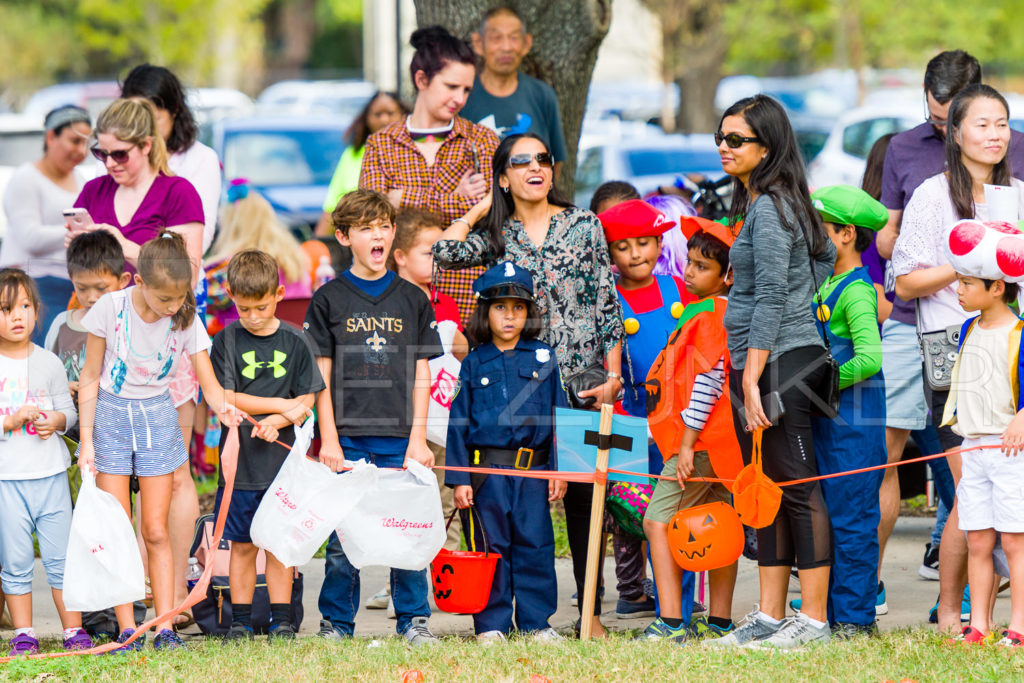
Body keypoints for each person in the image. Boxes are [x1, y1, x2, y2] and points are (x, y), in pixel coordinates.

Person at [434, 132, 624, 637]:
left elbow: (607, 303)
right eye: (521, 162)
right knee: (520, 514)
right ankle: (503, 614)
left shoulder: (584, 225)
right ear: (504, 176)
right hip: (517, 386)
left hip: (583, 380)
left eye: (543, 159)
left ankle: (591, 613)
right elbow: (444, 251)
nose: (536, 167)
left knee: (587, 503)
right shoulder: (500, 234)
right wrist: (482, 208)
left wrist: (613, 374)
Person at [875, 51, 1024, 629]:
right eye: (981, 124)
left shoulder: (1016, 195)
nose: (993, 134)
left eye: (1001, 124)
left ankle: (969, 612)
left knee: (1000, 488)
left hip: (1010, 348)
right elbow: (904, 280)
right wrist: (968, 263)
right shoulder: (934, 195)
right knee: (970, 489)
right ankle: (952, 614)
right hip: (951, 349)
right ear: (954, 132)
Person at [68, 96, 207, 629]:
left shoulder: (177, 192)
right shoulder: (93, 192)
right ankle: (121, 602)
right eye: (100, 153)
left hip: (168, 351)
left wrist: (122, 245)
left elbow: (184, 268)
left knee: (172, 481)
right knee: (118, 500)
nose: (108, 164)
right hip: (118, 348)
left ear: (147, 145)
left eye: (119, 154)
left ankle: (167, 600)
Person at [709, 95, 836, 650]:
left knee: (798, 489)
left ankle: (812, 621)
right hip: (767, 359)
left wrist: (750, 375)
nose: (723, 147)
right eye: (721, 136)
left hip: (780, 361)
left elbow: (772, 298)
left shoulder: (772, 207)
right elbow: (825, 256)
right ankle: (768, 615)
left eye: (736, 140)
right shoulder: (773, 204)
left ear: (768, 147)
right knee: (766, 486)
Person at [76, 231, 239, 651]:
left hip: (157, 418)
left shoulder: (185, 317)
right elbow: (91, 376)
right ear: (138, 282)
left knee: (155, 529)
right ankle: (128, 626)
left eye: (179, 298)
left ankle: (165, 626)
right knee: (118, 527)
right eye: (164, 299)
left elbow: (210, 383)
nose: (172, 307)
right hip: (111, 417)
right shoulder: (110, 309)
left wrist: (227, 409)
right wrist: (88, 441)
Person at [303, 189, 441, 645]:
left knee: (407, 531)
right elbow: (320, 375)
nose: (377, 235)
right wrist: (329, 440)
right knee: (344, 540)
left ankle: (414, 620)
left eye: (384, 225)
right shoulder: (328, 300)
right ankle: (336, 624)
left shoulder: (413, 300)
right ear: (344, 236)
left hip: (402, 439)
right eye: (365, 228)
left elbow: (423, 371)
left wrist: (418, 438)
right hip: (348, 437)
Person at [446, 260, 567, 643]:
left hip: (533, 472)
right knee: (489, 548)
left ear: (529, 312)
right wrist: (460, 479)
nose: (510, 316)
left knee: (535, 544)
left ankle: (535, 623)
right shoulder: (474, 362)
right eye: (500, 307)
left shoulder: (544, 359)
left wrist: (559, 470)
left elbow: (557, 417)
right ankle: (492, 625)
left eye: (518, 307)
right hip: (487, 477)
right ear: (486, 313)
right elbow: (458, 423)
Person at [210, 249, 323, 641]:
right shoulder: (226, 339)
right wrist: (277, 406)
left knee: (278, 546)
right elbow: (225, 395)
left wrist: (277, 422)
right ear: (230, 296)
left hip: (283, 468)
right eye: (244, 309)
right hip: (241, 466)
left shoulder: (297, 341)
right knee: (242, 546)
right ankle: (239, 620)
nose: (253, 317)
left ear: (278, 293)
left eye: (260, 307)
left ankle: (283, 621)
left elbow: (308, 398)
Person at [794, 185, 889, 637]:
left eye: (818, 230)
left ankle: (855, 618)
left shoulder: (856, 291)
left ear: (847, 234)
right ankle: (831, 614)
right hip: (828, 422)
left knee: (852, 521)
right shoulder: (827, 282)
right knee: (828, 518)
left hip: (854, 424)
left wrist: (818, 382)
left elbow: (870, 358)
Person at [359, 26, 500, 323]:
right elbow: (372, 218)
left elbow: (492, 213)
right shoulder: (381, 144)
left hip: (468, 298)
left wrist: (401, 198)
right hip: (396, 298)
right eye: (451, 87)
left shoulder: (482, 141)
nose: (460, 98)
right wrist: (458, 202)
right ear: (421, 79)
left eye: (466, 90)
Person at [642, 218, 740, 643]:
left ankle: (671, 621)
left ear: (728, 276)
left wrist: (685, 444)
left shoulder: (710, 315)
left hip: (699, 445)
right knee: (719, 522)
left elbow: (708, 382)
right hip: (719, 445)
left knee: (657, 521)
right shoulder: (716, 311)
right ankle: (718, 621)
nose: (690, 272)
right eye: (691, 263)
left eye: (702, 267)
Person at [862, 132, 953, 591]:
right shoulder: (907, 158)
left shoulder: (1011, 166)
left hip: (963, 331)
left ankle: (957, 582)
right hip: (899, 334)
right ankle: (866, 585)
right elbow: (893, 269)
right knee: (886, 456)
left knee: (959, 462)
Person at [598, 199, 694, 620]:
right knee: (638, 511)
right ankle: (646, 594)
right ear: (608, 253)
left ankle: (684, 602)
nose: (636, 254)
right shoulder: (609, 300)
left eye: (644, 243)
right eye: (624, 246)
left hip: (683, 416)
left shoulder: (679, 287)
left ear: (659, 243)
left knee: (683, 507)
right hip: (634, 418)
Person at [0, 269, 93, 656]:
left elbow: (68, 413)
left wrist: (56, 420)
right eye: (5, 309)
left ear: (37, 312)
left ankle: (73, 630)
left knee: (61, 557)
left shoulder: (49, 363)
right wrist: (9, 420)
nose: (16, 316)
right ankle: (24, 631)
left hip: (51, 475)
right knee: (16, 558)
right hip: (8, 479)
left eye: (24, 306)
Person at [940, 222, 1024, 645]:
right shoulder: (970, 328)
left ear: (996, 287)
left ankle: (1019, 628)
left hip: (1010, 453)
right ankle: (980, 626)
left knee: (1013, 541)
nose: (958, 288)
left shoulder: (1020, 333)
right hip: (974, 448)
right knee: (978, 541)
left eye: (967, 282)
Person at [1, 105, 91, 345]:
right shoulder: (26, 178)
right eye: (74, 141)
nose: (81, 150)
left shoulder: (81, 179)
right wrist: (77, 231)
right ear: (51, 136)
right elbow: (30, 237)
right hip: (32, 285)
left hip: (70, 287)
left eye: (86, 143)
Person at [121, 64, 222, 254]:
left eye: (153, 119)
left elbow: (200, 239)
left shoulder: (201, 159)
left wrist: (128, 248)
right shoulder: (114, 159)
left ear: (174, 110)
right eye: (135, 120)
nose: (144, 129)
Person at [463, 6, 568, 176]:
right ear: (478, 43)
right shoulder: (463, 97)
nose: (506, 47)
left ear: (526, 43)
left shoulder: (542, 95)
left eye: (514, 38)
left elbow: (556, 161)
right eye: (496, 38)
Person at [45, 231, 130, 436]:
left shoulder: (128, 325)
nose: (92, 298)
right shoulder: (62, 324)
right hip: (68, 429)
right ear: (72, 280)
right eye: (82, 288)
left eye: (101, 288)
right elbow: (45, 373)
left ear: (123, 280)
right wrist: (61, 386)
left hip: (116, 430)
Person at [205, 184, 312, 333]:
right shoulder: (296, 258)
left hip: (241, 345)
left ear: (230, 225)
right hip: (292, 341)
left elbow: (198, 302)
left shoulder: (227, 268)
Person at [316, 92, 409, 237]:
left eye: (390, 113)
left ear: (404, 115)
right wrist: (317, 242)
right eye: (378, 114)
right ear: (367, 119)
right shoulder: (353, 154)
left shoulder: (411, 152)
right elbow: (331, 206)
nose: (384, 119)